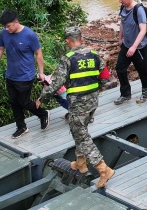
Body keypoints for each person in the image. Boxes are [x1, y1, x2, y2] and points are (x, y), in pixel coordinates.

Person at [41, 27, 114, 188]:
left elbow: (56, 84)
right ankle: (80, 162)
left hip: (77, 103)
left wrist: (42, 98)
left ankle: (103, 169)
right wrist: (94, 90)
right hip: (93, 101)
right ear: (81, 39)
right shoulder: (95, 55)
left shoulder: (68, 59)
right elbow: (105, 78)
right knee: (80, 130)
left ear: (68, 41)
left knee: (81, 135)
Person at [0, 9, 49, 136]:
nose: (6, 29)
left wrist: (41, 72)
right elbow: (0, 48)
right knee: (14, 102)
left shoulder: (29, 35)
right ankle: (21, 127)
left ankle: (43, 113)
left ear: (16, 22)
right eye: (4, 26)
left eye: (8, 26)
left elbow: (38, 54)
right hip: (11, 74)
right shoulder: (4, 33)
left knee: (23, 101)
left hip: (25, 75)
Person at [113, 0, 147, 104]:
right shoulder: (123, 8)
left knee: (142, 70)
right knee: (120, 68)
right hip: (126, 44)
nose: (120, 1)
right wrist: (120, 38)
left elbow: (143, 30)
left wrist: (134, 47)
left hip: (139, 47)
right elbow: (122, 22)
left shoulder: (138, 10)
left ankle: (145, 94)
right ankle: (125, 94)